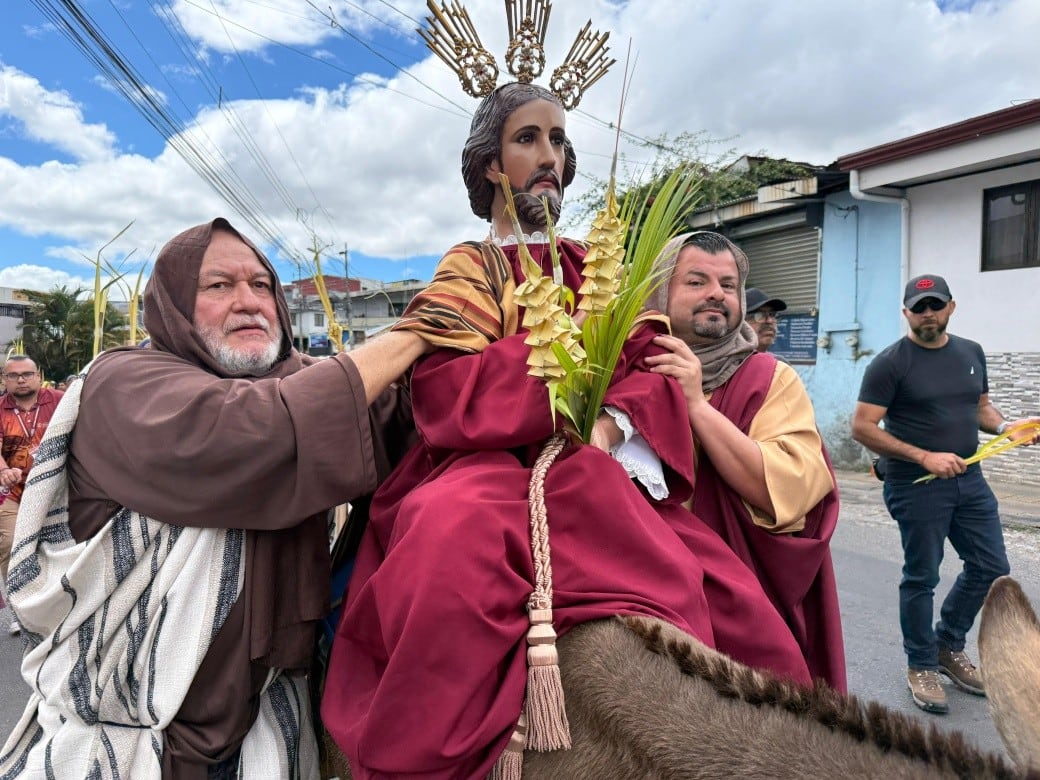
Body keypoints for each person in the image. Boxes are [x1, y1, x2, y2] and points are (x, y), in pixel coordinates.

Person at [321, 77, 814, 778]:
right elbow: (446, 389)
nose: (549, 156)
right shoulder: (471, 267)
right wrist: (558, 358)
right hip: (481, 463)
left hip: (595, 461)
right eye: (527, 139)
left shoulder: (598, 267)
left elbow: (652, 366)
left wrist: (609, 426)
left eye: (557, 140)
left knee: (737, 606)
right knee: (449, 541)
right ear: (492, 164)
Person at [0, 218, 426, 778]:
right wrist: (417, 331)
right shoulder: (125, 382)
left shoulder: (302, 380)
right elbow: (256, 433)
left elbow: (405, 423)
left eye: (262, 285)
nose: (248, 301)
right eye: (219, 285)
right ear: (173, 306)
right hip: (130, 744)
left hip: (267, 728)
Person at [644, 232, 845, 690]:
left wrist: (695, 406)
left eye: (728, 285)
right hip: (643, 593)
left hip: (736, 607)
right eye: (696, 281)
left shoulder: (769, 379)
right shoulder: (622, 369)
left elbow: (784, 491)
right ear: (658, 291)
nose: (717, 293)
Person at [851, 273, 1040, 715]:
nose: (928, 313)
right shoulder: (890, 363)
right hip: (915, 484)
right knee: (922, 576)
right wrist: (924, 457)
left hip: (969, 479)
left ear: (951, 307)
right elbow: (862, 427)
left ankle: (946, 645)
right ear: (906, 313)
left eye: (936, 304)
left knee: (991, 565)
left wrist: (1005, 427)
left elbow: (980, 406)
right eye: (919, 308)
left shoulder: (971, 352)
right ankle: (921, 664)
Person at [0, 354, 63, 637]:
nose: (21, 379)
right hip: (12, 492)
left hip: (56, 490)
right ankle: (20, 610)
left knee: (58, 547)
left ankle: (58, 607)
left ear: (38, 376)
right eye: (13, 375)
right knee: (11, 544)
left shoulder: (59, 401)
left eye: (26, 374)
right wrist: (4, 471)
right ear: (5, 380)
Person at [744, 286, 787, 353]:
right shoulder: (728, 359)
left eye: (772, 314)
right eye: (760, 315)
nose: (770, 321)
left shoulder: (777, 360)